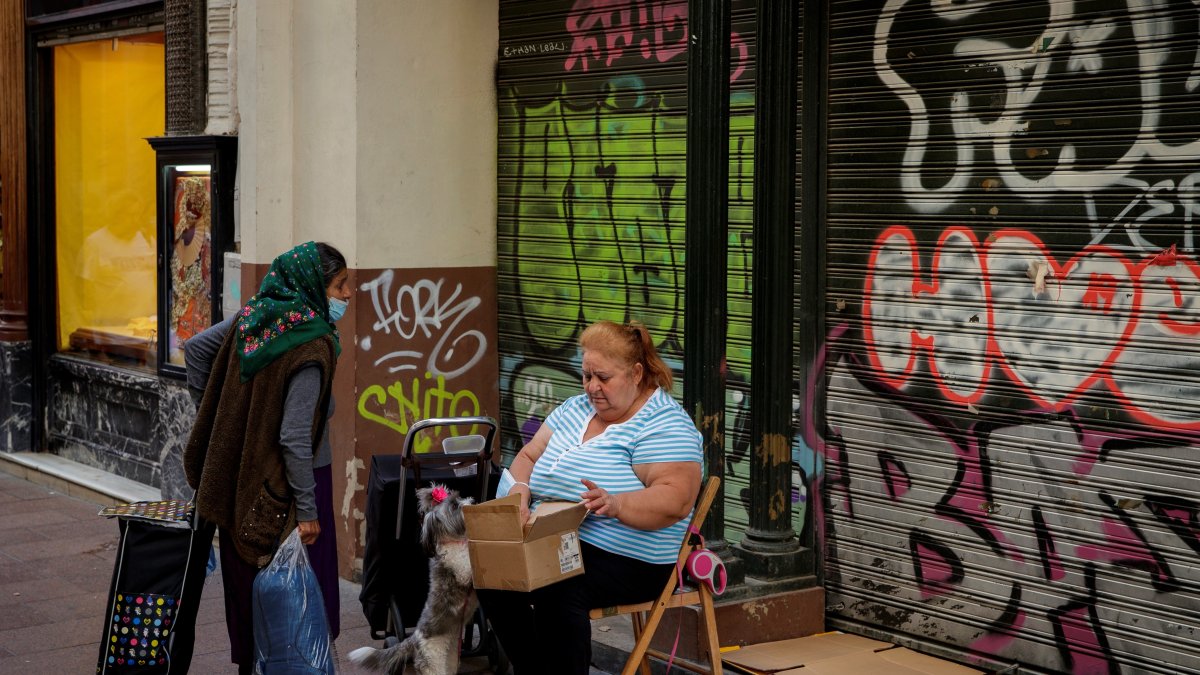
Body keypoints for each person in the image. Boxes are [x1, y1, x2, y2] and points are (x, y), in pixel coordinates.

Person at [477, 320, 703, 675]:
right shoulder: (574, 409)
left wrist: (617, 504)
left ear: (636, 373)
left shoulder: (663, 424)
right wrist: (519, 491)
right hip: (558, 540)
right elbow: (528, 457)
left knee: (557, 584)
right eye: (586, 376)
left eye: (603, 377)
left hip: (629, 558)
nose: (592, 388)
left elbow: (675, 500)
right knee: (493, 570)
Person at [182, 241, 352, 674]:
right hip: (294, 487)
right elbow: (295, 437)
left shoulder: (257, 318)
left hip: (244, 481)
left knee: (249, 594)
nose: (348, 295)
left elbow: (198, 349)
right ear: (315, 287)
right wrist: (308, 511)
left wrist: (228, 426)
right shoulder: (310, 345)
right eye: (340, 285)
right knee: (299, 600)